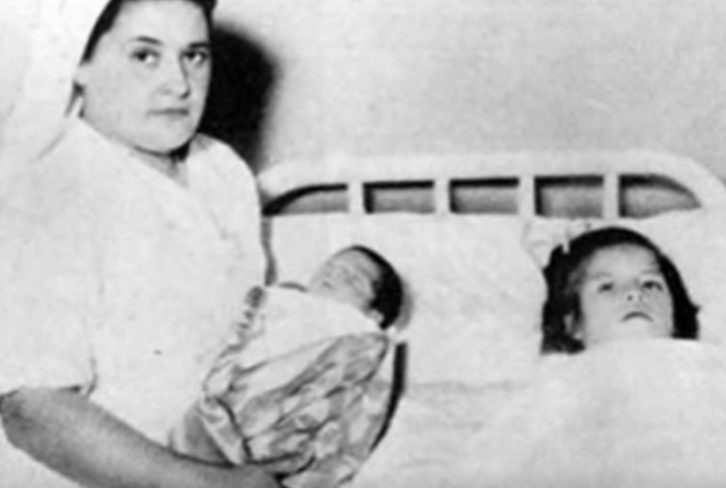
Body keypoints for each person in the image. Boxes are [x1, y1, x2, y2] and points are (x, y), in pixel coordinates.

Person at [0, 0, 275, 486]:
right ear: (79, 64)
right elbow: (32, 411)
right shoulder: (50, 190)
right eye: (145, 56)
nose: (179, 84)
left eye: (194, 56)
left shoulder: (222, 170)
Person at [169, 245, 404, 487]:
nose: (334, 275)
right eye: (330, 267)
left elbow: (354, 407)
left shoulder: (362, 339)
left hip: (275, 440)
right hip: (219, 412)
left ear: (374, 316)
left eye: (352, 279)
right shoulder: (282, 301)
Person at [540, 226, 698, 354]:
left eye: (649, 284)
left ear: (675, 318)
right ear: (573, 324)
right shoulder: (558, 378)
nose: (634, 293)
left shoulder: (702, 369)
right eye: (607, 287)